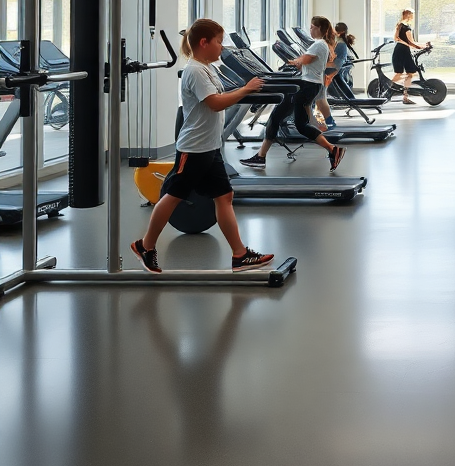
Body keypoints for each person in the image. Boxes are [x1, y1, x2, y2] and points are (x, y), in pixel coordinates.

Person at [130, 18, 275, 274]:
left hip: (209, 148)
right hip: (194, 149)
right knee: (173, 197)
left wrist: (244, 90)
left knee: (224, 196)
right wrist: (245, 89)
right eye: (219, 41)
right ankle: (146, 245)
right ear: (204, 42)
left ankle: (240, 255)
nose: (221, 47)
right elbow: (215, 103)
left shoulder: (207, 68)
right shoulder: (195, 70)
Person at [240, 16, 345, 171]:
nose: (310, 29)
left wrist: (296, 60)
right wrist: (298, 62)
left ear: (320, 29)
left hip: (306, 87)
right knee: (283, 120)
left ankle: (333, 149)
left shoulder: (318, 44)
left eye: (312, 27)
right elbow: (306, 64)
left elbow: (306, 60)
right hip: (309, 85)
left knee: (292, 122)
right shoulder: (322, 44)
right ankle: (260, 157)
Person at [391, 9, 427, 104]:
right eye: (412, 15)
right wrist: (424, 46)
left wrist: (421, 46)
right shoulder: (406, 27)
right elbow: (411, 42)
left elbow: (397, 39)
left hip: (401, 50)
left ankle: (405, 97)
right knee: (401, 74)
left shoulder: (400, 25)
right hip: (402, 51)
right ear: (408, 15)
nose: (413, 17)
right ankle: (388, 86)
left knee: (410, 73)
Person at [334, 22, 357, 91]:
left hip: (341, 66)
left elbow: (337, 60)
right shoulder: (343, 42)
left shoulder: (340, 44)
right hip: (346, 67)